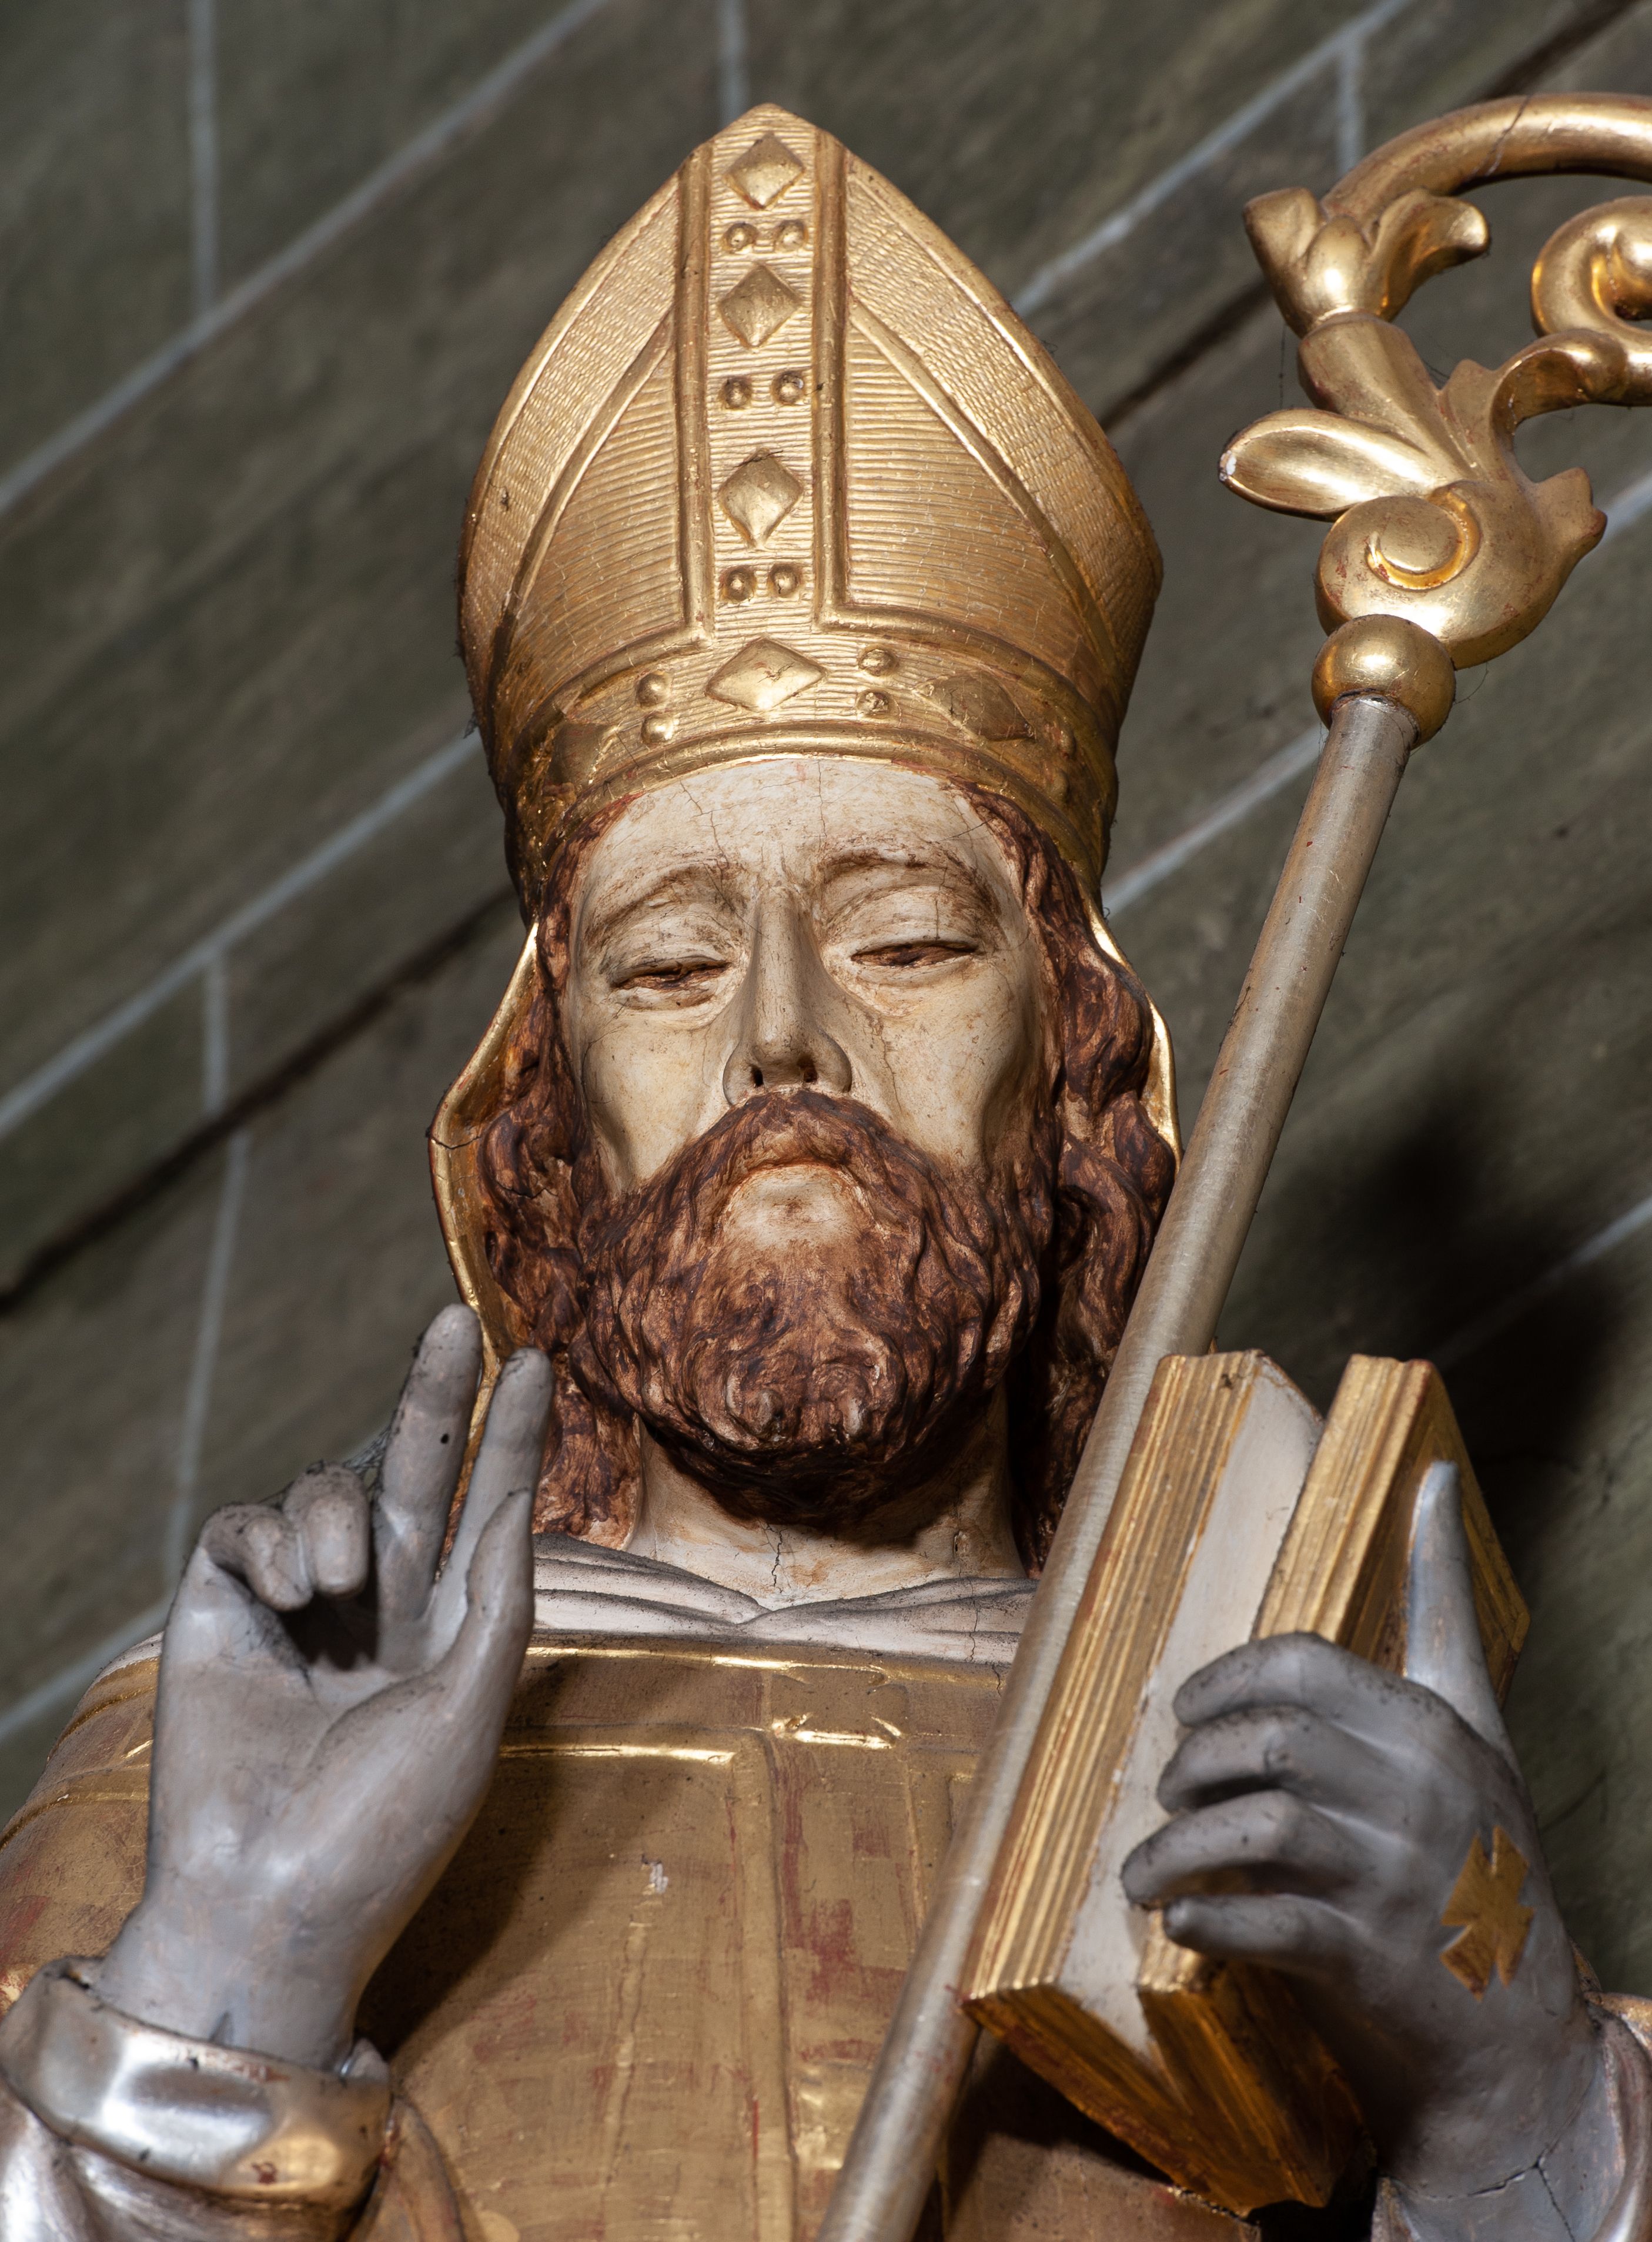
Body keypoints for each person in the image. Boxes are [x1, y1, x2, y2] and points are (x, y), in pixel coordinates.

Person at [0, 105, 1645, 2242]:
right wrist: (232, 1967)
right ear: (547, 1117)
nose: (782, 1032)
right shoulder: (231, 1771)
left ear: (1075, 1074)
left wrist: (1509, 2085)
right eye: (668, 964)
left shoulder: (1230, 1769)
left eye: (908, 940)